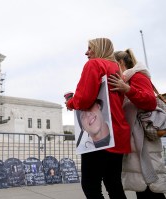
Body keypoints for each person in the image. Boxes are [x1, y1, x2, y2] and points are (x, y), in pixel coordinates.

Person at [65, 38, 131, 199]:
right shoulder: (116, 68)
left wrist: (71, 102)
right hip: (118, 131)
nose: (86, 52)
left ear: (100, 49)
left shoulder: (94, 64)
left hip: (100, 136)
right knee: (113, 183)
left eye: (90, 48)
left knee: (90, 185)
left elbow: (85, 99)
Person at [108, 49, 166, 199]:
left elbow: (150, 101)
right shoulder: (127, 79)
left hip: (144, 138)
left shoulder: (138, 76)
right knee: (142, 186)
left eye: (112, 64)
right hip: (136, 137)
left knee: (151, 187)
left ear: (120, 63)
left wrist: (127, 89)